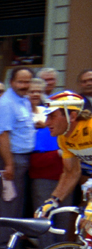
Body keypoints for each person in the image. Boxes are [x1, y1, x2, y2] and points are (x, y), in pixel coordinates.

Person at [0, 67, 35, 249]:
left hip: (23, 158)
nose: (24, 86)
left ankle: (14, 246)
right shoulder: (6, 103)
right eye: (21, 82)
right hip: (11, 159)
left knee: (18, 206)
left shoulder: (24, 101)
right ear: (11, 82)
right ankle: (4, 248)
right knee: (9, 205)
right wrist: (8, 163)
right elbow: (2, 136)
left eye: (27, 82)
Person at [35, 92, 92, 228]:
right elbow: (71, 173)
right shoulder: (63, 138)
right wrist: (53, 201)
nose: (47, 122)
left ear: (72, 116)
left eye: (52, 116)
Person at [29, 82, 70, 248]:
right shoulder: (44, 131)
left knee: (65, 218)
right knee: (45, 217)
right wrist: (57, 155)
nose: (48, 121)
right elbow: (35, 162)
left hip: (66, 181)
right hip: (45, 180)